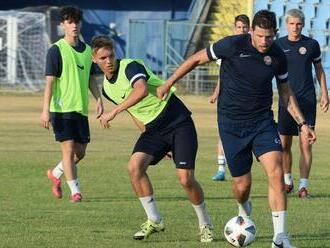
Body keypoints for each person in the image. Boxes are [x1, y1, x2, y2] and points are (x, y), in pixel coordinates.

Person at [157, 10, 316, 248]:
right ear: (251, 31)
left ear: (275, 34)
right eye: (260, 36)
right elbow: (195, 60)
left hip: (262, 122)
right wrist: (168, 83)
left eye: (269, 37)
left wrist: (303, 123)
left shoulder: (277, 55)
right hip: (231, 126)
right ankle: (243, 207)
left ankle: (280, 238)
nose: (265, 42)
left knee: (276, 171)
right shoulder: (231, 45)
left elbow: (285, 92)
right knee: (242, 186)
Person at [91, 36, 214, 242]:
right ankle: (154, 219)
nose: (109, 61)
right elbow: (134, 112)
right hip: (154, 131)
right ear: (95, 59)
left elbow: (139, 90)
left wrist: (113, 112)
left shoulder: (130, 66)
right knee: (134, 167)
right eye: (103, 58)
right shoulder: (106, 89)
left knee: (186, 179)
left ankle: (205, 224)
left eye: (111, 55)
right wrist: (152, 141)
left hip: (178, 122)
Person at [40, 6, 103, 203]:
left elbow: (91, 79)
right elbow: (50, 82)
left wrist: (99, 99)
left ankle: (56, 174)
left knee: (80, 153)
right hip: (61, 110)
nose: (74, 25)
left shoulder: (87, 51)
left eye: (76, 21)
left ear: (80, 23)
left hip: (80, 109)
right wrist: (45, 110)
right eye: (69, 22)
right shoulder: (56, 50)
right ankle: (75, 191)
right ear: (62, 25)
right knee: (67, 149)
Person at [275, 9, 329, 198]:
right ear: (286, 24)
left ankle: (303, 186)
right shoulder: (278, 45)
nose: (295, 27)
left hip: (306, 99)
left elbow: (319, 69)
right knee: (284, 145)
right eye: (291, 23)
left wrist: (325, 93)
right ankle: (287, 181)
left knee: (306, 143)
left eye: (298, 24)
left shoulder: (311, 45)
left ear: (303, 24)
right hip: (286, 101)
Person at [210, 14, 251, 181]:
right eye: (239, 27)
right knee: (223, 133)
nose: (241, 30)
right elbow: (222, 74)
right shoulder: (228, 46)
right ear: (235, 28)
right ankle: (221, 169)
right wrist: (216, 92)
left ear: (249, 29)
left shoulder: (254, 47)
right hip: (228, 98)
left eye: (244, 27)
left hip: (248, 100)